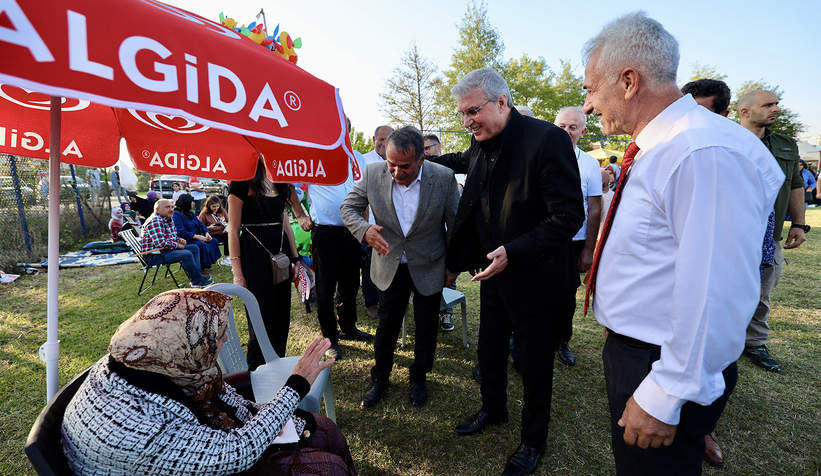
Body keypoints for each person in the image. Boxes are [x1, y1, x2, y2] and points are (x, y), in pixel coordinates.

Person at [581, 12, 782, 475]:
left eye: (591, 89)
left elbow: (718, 287)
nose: (588, 105)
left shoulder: (700, 150)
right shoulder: (670, 145)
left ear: (628, 80)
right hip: (643, 350)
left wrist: (665, 393)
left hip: (660, 361)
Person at [429, 68, 584, 476]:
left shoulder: (547, 140)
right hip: (492, 273)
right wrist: (419, 158)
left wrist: (512, 251)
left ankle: (533, 440)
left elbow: (568, 217)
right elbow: (459, 161)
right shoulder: (480, 143)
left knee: (533, 363)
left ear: (502, 102)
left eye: (472, 111)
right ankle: (493, 409)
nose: (466, 121)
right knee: (490, 349)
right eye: (462, 114)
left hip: (534, 276)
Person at [61, 288, 357, 476]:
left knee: (324, 427)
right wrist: (295, 387)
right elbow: (235, 453)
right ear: (181, 345)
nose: (226, 339)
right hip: (211, 458)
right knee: (329, 469)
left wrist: (275, 413)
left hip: (199, 445)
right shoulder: (136, 425)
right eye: (217, 335)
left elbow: (226, 402)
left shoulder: (147, 361)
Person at [341, 126, 459, 410]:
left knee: (426, 326)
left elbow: (455, 225)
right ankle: (380, 378)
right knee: (387, 325)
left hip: (430, 265)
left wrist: (452, 268)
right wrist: (365, 230)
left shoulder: (443, 178)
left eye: (404, 166)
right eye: (391, 164)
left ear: (421, 159)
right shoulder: (373, 173)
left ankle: (419, 378)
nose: (396, 172)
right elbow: (348, 208)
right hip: (388, 265)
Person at [737, 89, 807, 372]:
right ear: (745, 111)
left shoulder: (785, 145)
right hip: (729, 235)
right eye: (768, 105)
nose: (775, 109)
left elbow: (795, 185)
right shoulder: (725, 139)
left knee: (762, 293)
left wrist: (799, 224)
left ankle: (754, 343)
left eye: (777, 104)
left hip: (769, 237)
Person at [297, 118, 373, 362]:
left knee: (351, 286)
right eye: (336, 129)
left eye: (345, 130)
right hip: (326, 233)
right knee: (326, 289)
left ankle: (348, 328)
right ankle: (330, 338)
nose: (342, 134)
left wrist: (364, 228)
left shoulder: (358, 158)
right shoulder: (311, 156)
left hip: (352, 232)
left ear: (348, 131)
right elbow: (286, 184)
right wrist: (299, 214)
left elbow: (364, 195)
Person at [228, 157, 300, 369]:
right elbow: (232, 229)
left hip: (281, 251)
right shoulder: (241, 180)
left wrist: (295, 258)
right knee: (261, 318)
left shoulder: (281, 178)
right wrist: (238, 274)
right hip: (254, 252)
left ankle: (277, 367)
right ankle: (256, 372)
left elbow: (285, 223)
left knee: (281, 315)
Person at [553, 106, 603, 367]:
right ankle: (524, 336)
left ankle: (562, 340)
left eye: (573, 127)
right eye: (562, 126)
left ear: (583, 131)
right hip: (543, 241)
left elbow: (595, 207)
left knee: (566, 295)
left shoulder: (590, 163)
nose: (566, 132)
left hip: (574, 243)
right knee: (535, 292)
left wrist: (588, 250)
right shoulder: (540, 156)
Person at [423, 132, 460, 332]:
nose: (425, 153)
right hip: (432, 234)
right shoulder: (424, 169)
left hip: (451, 231)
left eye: (427, 148)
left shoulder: (456, 168)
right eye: (423, 150)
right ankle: (430, 311)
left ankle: (447, 313)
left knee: (449, 275)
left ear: (438, 146)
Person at [360, 125, 394, 318]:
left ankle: (388, 300)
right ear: (374, 140)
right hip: (371, 224)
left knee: (389, 264)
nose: (383, 143)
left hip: (392, 226)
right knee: (370, 267)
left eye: (387, 139)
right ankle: (371, 302)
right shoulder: (364, 161)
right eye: (380, 139)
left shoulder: (398, 159)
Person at [140, 199, 212, 287]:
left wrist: (179, 239)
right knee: (187, 253)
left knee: (194, 248)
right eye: (167, 207)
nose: (171, 209)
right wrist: (177, 245)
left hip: (164, 251)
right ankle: (196, 281)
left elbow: (170, 236)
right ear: (157, 210)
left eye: (172, 207)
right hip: (154, 256)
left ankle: (197, 276)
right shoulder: (155, 221)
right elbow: (160, 243)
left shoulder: (167, 218)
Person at [173, 194, 222, 276]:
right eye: (191, 202)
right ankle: (201, 267)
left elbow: (201, 224)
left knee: (213, 240)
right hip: (186, 239)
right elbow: (180, 231)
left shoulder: (190, 213)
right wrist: (197, 237)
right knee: (202, 244)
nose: (193, 203)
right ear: (186, 202)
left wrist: (206, 233)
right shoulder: (177, 215)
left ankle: (208, 264)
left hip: (197, 236)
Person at [199, 195, 230, 262]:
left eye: (217, 206)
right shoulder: (204, 214)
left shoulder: (222, 211)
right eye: (213, 206)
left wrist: (227, 227)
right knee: (228, 237)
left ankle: (233, 256)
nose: (216, 208)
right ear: (209, 206)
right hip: (211, 235)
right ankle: (226, 257)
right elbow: (200, 228)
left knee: (233, 235)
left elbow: (230, 221)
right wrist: (209, 228)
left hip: (223, 232)